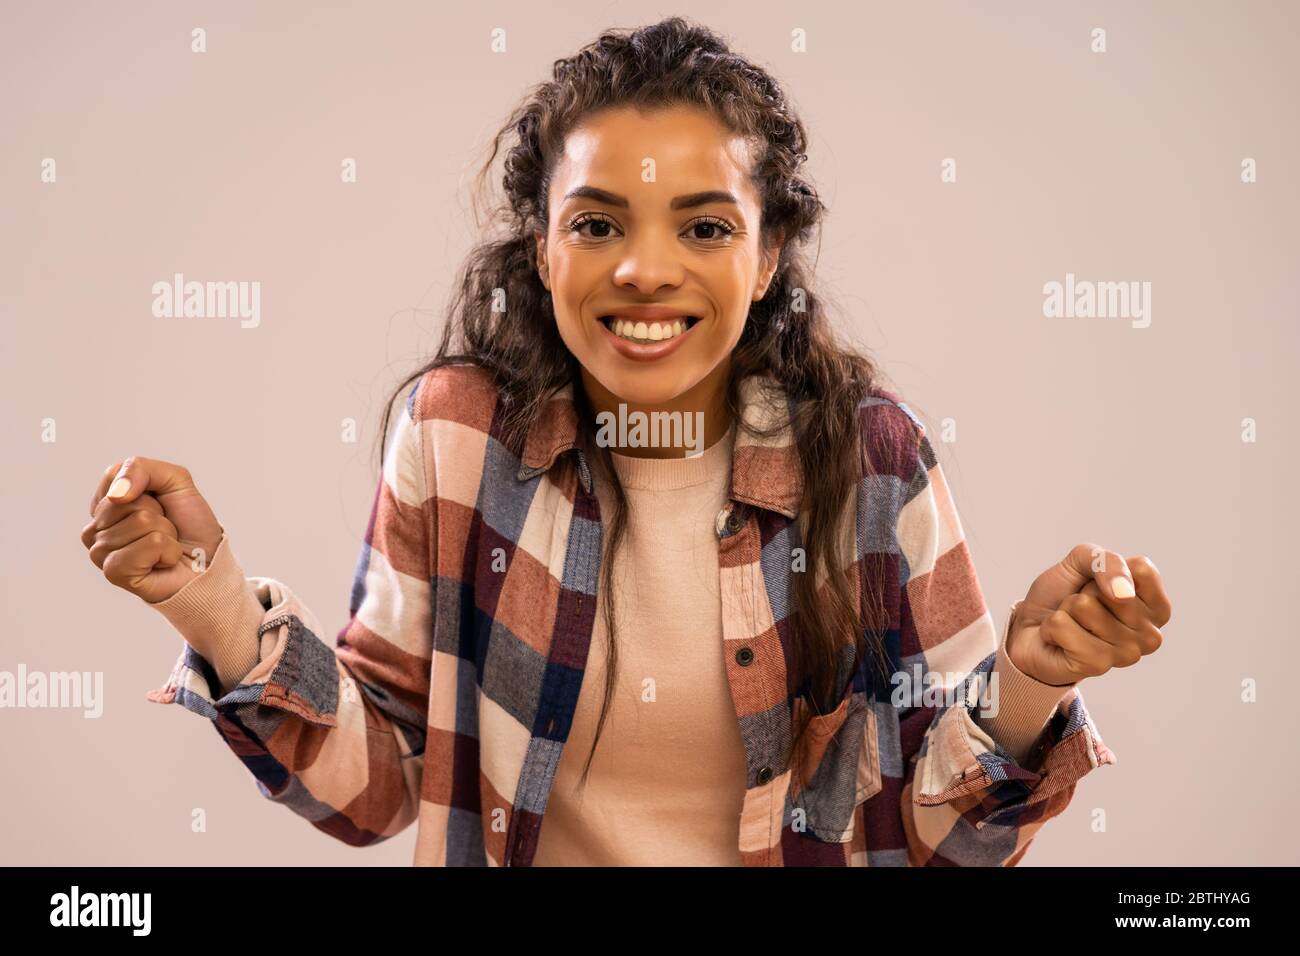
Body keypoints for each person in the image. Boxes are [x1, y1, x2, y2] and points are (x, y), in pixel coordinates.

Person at [80, 16, 1171, 866]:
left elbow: (950, 838)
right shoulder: (457, 436)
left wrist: (1027, 680)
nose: (645, 269)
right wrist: (212, 605)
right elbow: (380, 786)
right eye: (597, 223)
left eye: (704, 226)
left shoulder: (875, 459)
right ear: (544, 249)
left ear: (770, 252)